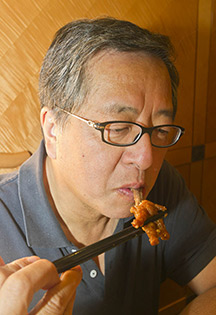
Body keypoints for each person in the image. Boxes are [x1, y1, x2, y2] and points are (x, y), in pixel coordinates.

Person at [0, 17, 215, 314]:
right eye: (118, 128)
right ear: (53, 130)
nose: (146, 158)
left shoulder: (161, 187)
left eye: (161, 130)